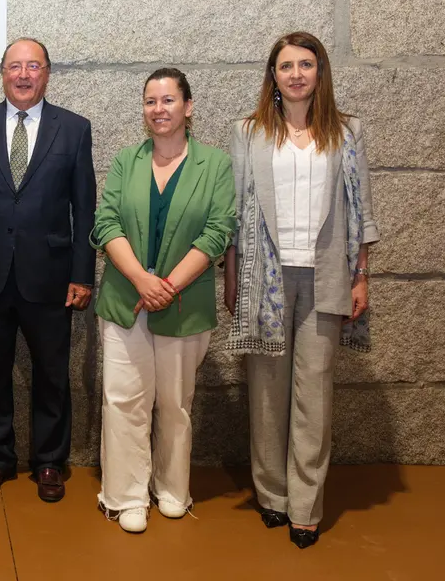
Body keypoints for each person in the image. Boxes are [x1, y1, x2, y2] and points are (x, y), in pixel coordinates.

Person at [224, 31, 379, 549]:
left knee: (314, 392)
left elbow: (362, 211)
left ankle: (305, 505)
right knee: (267, 392)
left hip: (326, 275)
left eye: (305, 64)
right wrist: (233, 278)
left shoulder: (347, 131)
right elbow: (235, 212)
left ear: (320, 72)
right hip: (265, 276)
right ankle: (272, 495)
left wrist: (361, 275)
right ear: (273, 75)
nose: (295, 74)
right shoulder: (247, 132)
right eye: (286, 65)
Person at [0, 38, 95, 503]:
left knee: (52, 372)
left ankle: (50, 462)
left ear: (47, 73)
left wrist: (82, 273)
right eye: (15, 66)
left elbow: (84, 208)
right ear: (2, 72)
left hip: (50, 274)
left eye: (34, 66)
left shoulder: (74, 128)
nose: (24, 74)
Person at [90, 68, 236, 533]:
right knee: (124, 400)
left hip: (183, 303)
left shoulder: (215, 165)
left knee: (175, 402)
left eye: (169, 100)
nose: (159, 109)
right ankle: (126, 496)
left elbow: (219, 231)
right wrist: (140, 280)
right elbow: (105, 223)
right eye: (151, 101)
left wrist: (167, 285)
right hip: (124, 298)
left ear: (188, 107)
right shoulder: (125, 162)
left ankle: (173, 489)